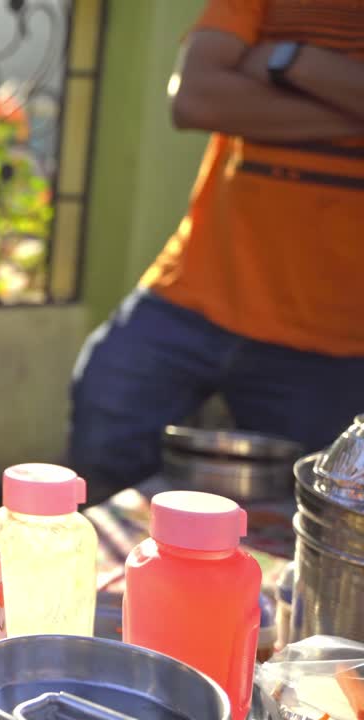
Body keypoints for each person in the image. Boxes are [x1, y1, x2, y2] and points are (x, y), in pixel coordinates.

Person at [69, 0, 364, 500]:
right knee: (103, 436)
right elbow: (196, 100)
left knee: (309, 507)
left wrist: (288, 60)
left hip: (331, 339)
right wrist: (348, 105)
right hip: (193, 293)